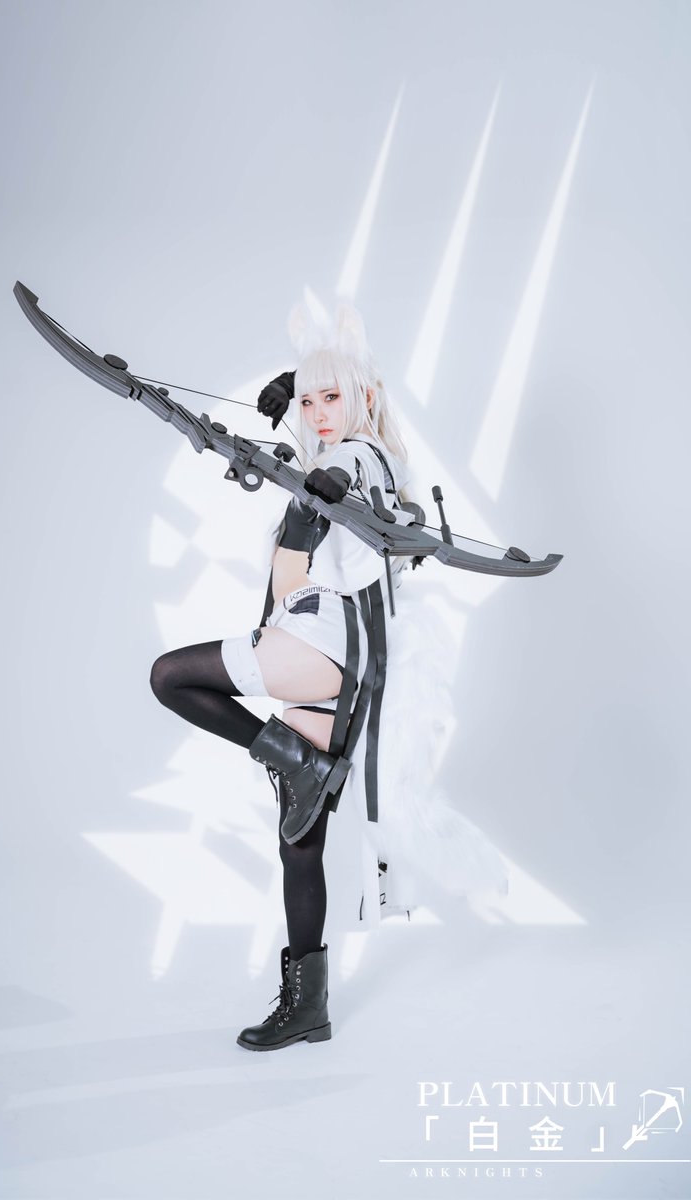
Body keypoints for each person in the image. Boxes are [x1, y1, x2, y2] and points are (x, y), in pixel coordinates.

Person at [149, 299, 506, 1052]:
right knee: (300, 841)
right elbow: (331, 453)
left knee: (172, 676)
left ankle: (300, 763)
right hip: (342, 661)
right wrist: (296, 398)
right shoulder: (368, 457)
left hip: (320, 644)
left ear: (363, 397)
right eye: (306, 402)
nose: (314, 415)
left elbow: (336, 482)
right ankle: (308, 1006)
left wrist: (314, 497)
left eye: (328, 398)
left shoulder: (355, 459)